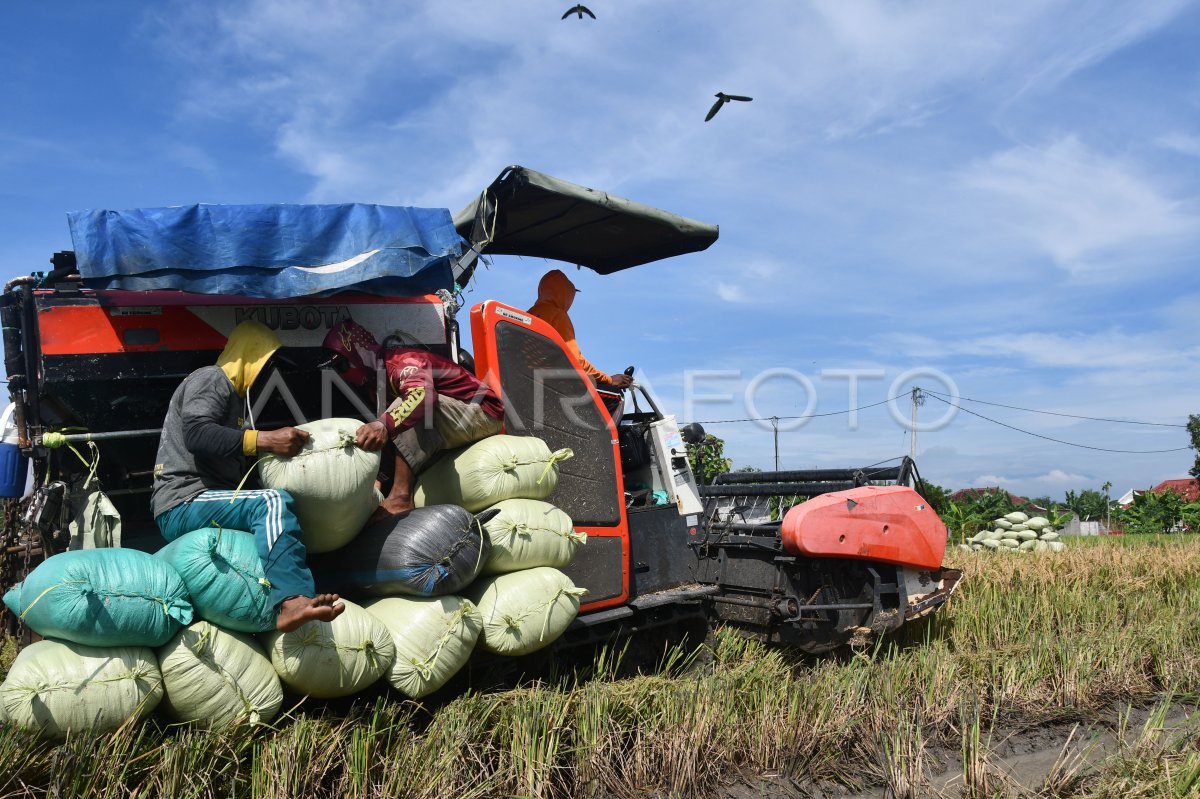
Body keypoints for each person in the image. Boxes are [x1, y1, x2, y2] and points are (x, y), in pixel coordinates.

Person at [151, 320, 344, 633]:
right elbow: (197, 434)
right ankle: (291, 600)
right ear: (250, 357)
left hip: (201, 500)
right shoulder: (211, 378)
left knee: (274, 503)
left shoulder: (238, 400)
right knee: (271, 502)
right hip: (183, 500)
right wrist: (265, 440)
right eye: (266, 363)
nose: (269, 373)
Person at [322, 319, 504, 517]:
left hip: (482, 412)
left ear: (358, 351)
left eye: (342, 365)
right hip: (455, 419)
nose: (343, 375)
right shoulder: (376, 387)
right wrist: (377, 484)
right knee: (393, 419)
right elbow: (391, 441)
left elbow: (422, 397)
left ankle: (401, 497)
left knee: (406, 407)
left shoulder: (403, 362)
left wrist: (382, 424)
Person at [528, 269, 633, 391]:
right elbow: (574, 360)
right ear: (564, 294)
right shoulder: (558, 316)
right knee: (613, 395)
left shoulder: (529, 315)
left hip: (528, 382)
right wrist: (609, 380)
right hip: (552, 387)